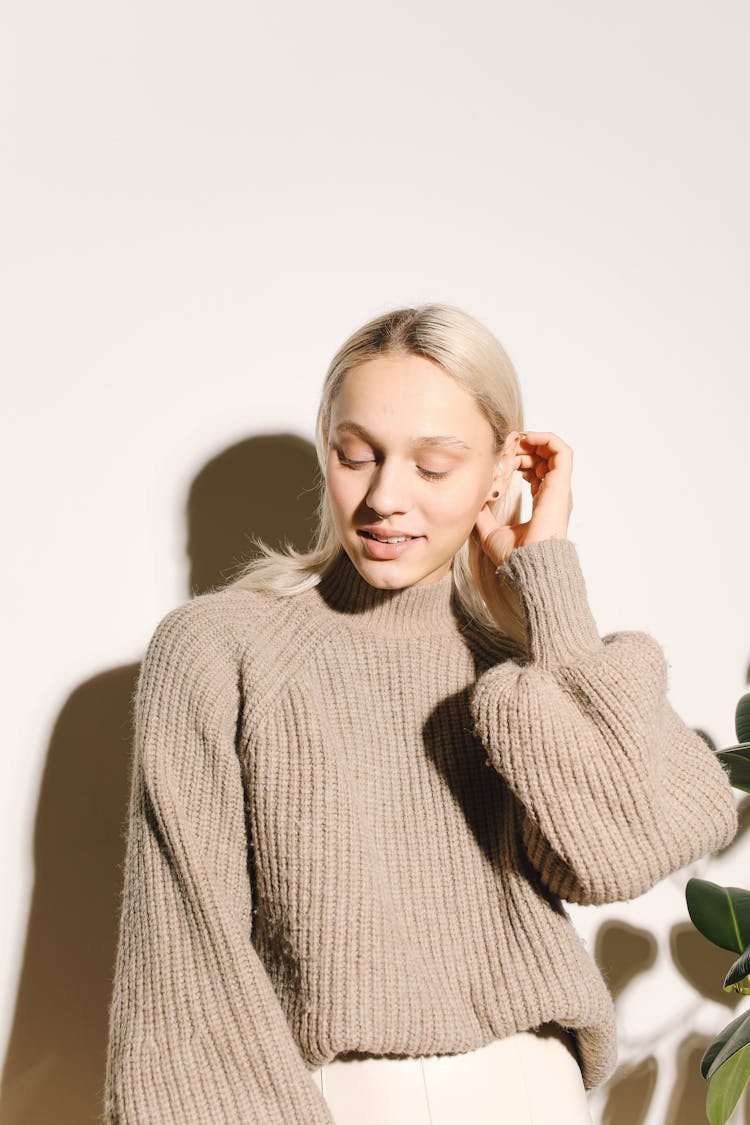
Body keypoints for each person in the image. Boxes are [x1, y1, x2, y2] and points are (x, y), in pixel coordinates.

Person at [103, 303, 738, 1124]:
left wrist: (546, 581)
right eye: (354, 455)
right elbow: (184, 968)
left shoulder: (519, 664)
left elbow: (623, 849)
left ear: (503, 470)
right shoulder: (220, 649)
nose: (384, 498)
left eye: (434, 466)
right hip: (330, 1099)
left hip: (533, 1092)